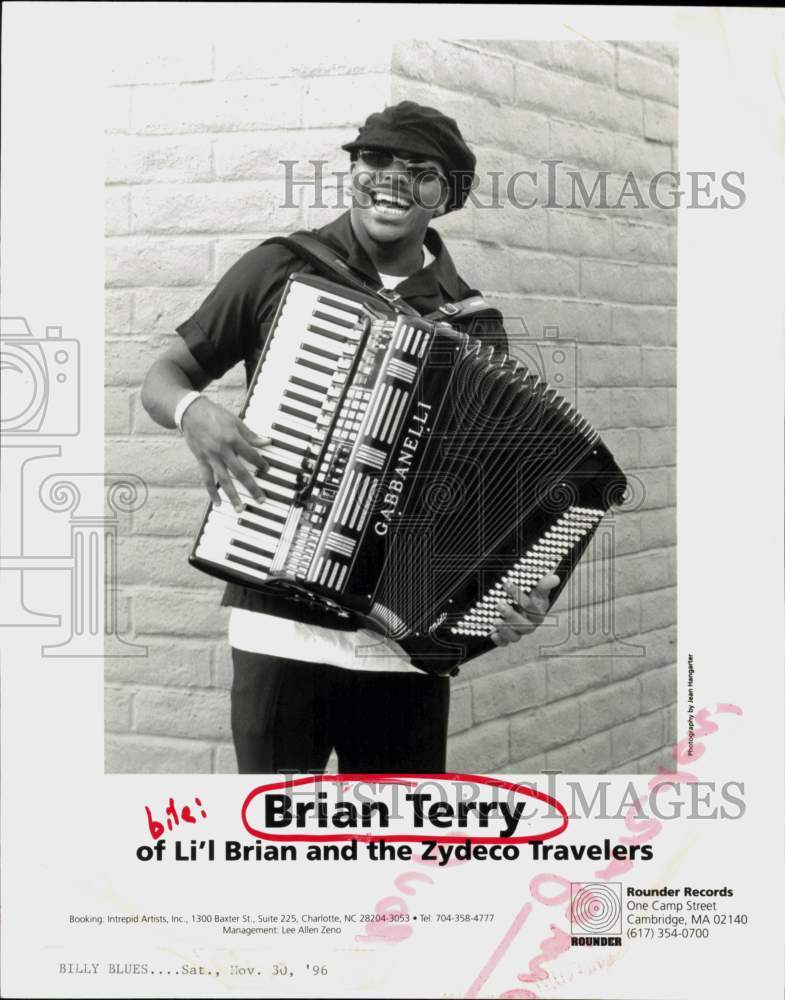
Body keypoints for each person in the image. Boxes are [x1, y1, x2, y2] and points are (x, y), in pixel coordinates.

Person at [141, 101, 558, 775]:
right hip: (278, 624)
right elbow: (164, 376)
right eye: (374, 160)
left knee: (397, 845)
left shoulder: (473, 323)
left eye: (419, 170)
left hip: (398, 646)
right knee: (275, 846)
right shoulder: (281, 266)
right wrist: (194, 412)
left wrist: (515, 589)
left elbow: (490, 494)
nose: (390, 179)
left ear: (444, 195)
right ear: (354, 172)